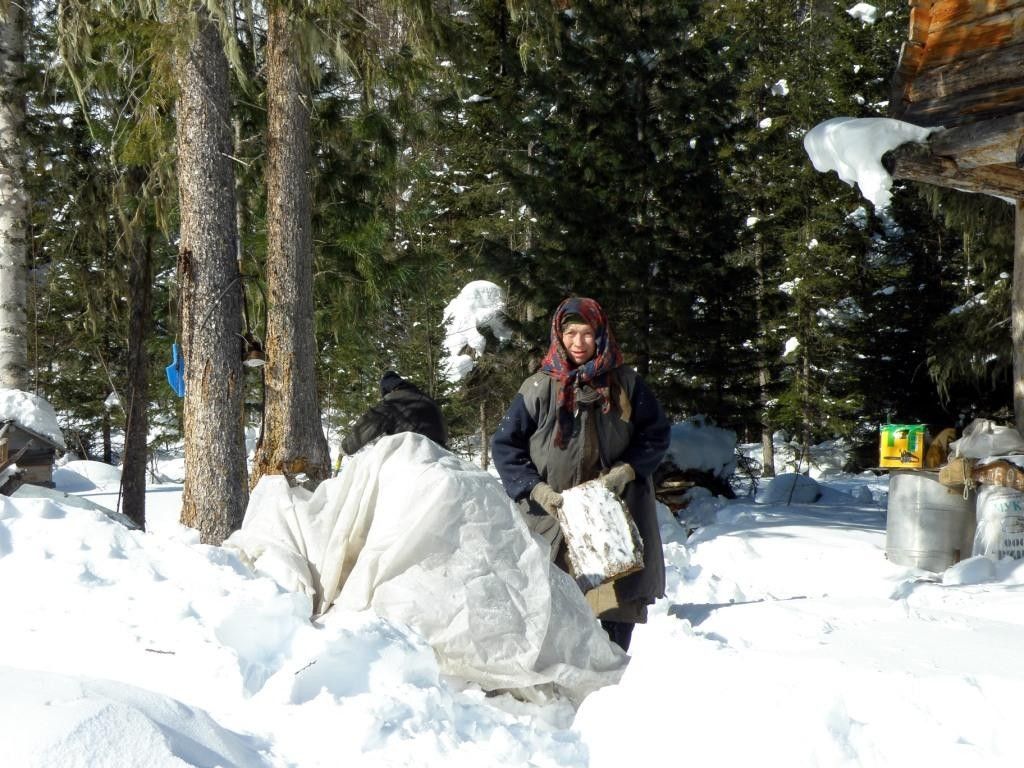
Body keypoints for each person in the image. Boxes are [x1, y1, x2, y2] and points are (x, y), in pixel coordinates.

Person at [491, 297, 670, 652]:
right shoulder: (539, 387)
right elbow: (506, 446)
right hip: (552, 516)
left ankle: (608, 685)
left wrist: (626, 471)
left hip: (613, 512)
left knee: (613, 604)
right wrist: (534, 489)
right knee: (550, 600)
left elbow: (656, 434)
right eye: (570, 333)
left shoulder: (626, 383)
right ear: (558, 335)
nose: (578, 342)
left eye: (587, 334)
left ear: (600, 335)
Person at [341, 371, 449, 456]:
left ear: (389, 390)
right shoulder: (428, 400)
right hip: (442, 453)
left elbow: (370, 424)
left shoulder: (394, 402)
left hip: (415, 454)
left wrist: (346, 446)